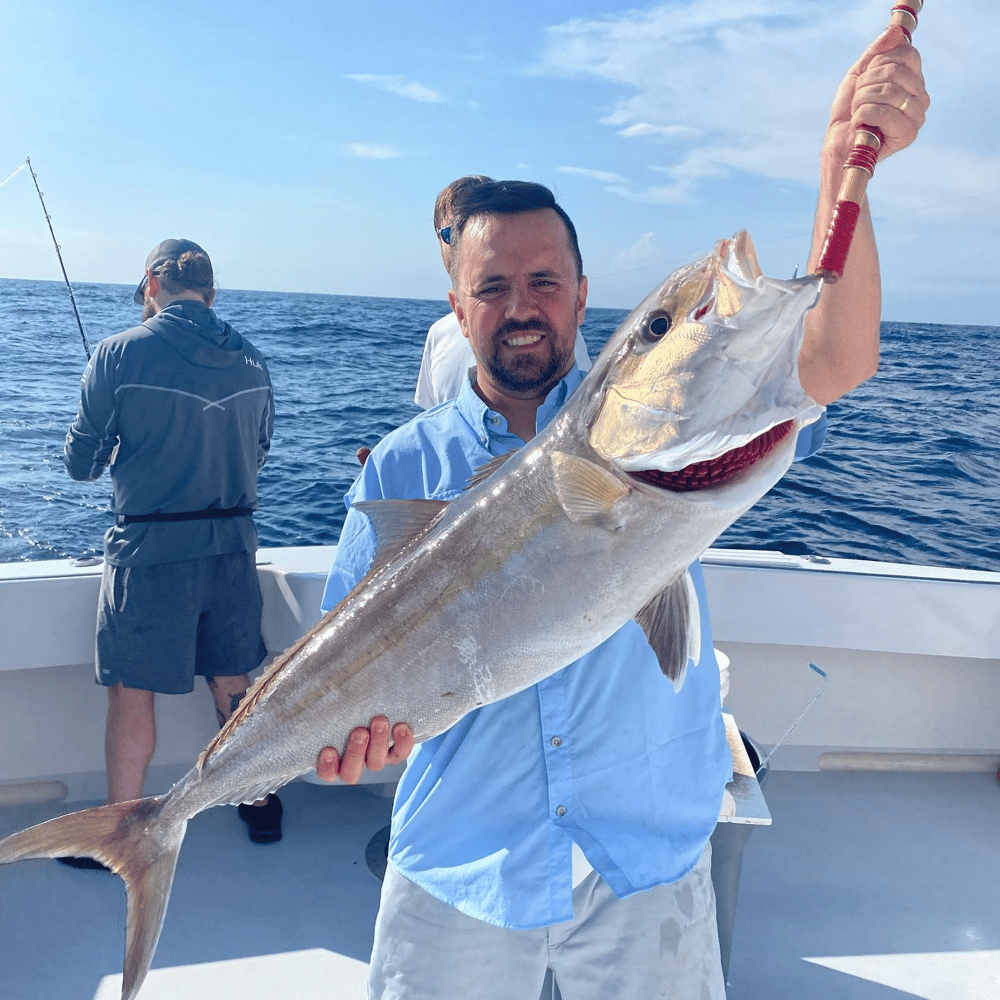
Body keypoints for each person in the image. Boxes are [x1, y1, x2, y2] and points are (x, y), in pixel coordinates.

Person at [316, 27, 928, 999]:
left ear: (581, 293)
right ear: (456, 304)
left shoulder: (687, 429)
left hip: (645, 855)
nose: (521, 306)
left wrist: (841, 174)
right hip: (460, 865)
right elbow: (342, 656)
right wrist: (349, 740)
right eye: (493, 287)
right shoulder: (401, 464)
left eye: (544, 282)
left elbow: (833, 359)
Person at [62, 239, 281, 861]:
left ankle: (121, 831)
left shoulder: (116, 354)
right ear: (209, 292)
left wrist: (110, 448)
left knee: (133, 692)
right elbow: (259, 453)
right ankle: (259, 802)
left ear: (153, 285)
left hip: (150, 552)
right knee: (233, 679)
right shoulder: (256, 362)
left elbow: (81, 463)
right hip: (234, 549)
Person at [414, 175, 592, 410]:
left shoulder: (556, 332)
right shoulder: (437, 335)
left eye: (543, 283)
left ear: (579, 301)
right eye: (451, 234)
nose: (519, 312)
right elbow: (430, 419)